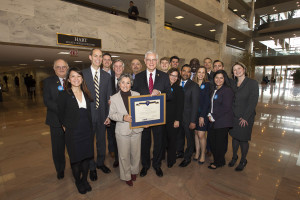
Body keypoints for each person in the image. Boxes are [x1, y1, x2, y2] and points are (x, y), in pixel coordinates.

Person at [132, 50, 171, 177]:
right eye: (148, 59)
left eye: (154, 60)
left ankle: (157, 165)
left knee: (159, 142)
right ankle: (145, 165)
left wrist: (159, 92)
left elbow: (169, 95)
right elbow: (134, 96)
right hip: (143, 116)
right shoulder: (138, 77)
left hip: (158, 115)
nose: (151, 62)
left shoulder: (164, 76)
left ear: (157, 61)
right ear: (145, 61)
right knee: (145, 142)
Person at [57, 67, 94, 194]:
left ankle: (85, 179)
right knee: (76, 159)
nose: (76, 79)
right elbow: (60, 113)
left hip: (87, 131)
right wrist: (64, 125)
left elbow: (89, 113)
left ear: (82, 78)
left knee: (86, 157)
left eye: (78, 76)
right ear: (68, 79)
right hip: (73, 132)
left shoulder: (86, 93)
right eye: (73, 76)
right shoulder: (64, 95)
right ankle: (78, 181)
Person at [82, 48, 112, 181]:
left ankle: (100, 163)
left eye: (100, 56)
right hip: (87, 117)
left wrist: (108, 115)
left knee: (101, 142)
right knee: (88, 144)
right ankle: (91, 167)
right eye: (96, 56)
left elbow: (109, 98)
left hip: (102, 116)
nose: (98, 59)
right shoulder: (83, 74)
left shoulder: (107, 76)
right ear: (90, 57)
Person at [109, 73, 143, 186]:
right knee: (124, 155)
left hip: (137, 130)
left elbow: (142, 112)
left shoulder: (137, 94)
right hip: (122, 131)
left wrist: (146, 121)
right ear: (119, 84)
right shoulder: (113, 98)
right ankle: (126, 175)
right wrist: (123, 117)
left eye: (128, 82)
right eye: (123, 82)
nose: (125, 85)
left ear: (131, 84)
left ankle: (134, 171)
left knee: (136, 153)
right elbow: (112, 115)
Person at [229, 62, 259, 171]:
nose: (237, 71)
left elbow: (253, 102)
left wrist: (245, 117)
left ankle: (243, 160)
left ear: (244, 69)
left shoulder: (252, 83)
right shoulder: (233, 83)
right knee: (234, 137)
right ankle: (234, 157)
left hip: (246, 117)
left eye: (239, 68)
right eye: (234, 69)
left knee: (243, 140)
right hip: (234, 116)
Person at [43, 59, 69, 180]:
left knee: (72, 146)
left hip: (71, 121)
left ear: (67, 68)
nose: (61, 69)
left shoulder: (73, 79)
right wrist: (62, 109)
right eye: (58, 67)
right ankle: (60, 169)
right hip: (55, 120)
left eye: (64, 67)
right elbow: (47, 101)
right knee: (58, 148)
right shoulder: (48, 82)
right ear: (54, 69)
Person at [207, 70, 234, 169]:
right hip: (214, 119)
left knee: (219, 143)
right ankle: (220, 160)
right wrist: (210, 113)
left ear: (225, 79)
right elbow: (212, 105)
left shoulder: (227, 90)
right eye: (216, 77)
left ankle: (218, 162)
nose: (218, 80)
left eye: (221, 78)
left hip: (223, 121)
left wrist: (213, 116)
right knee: (212, 141)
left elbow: (226, 107)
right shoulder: (215, 89)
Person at [177, 64, 200, 167]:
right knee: (180, 137)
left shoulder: (194, 86)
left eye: (188, 72)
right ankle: (180, 152)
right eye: (184, 71)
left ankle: (187, 158)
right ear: (181, 72)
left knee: (190, 139)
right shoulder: (177, 83)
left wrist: (193, 121)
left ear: (190, 74)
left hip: (188, 118)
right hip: (178, 117)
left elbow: (195, 105)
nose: (186, 73)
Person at [164, 68, 184, 168]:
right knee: (162, 140)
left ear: (178, 78)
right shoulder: (163, 87)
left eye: (175, 76)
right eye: (171, 75)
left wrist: (177, 120)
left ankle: (171, 160)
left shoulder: (179, 89)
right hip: (162, 119)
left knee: (172, 140)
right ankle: (161, 157)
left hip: (173, 120)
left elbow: (180, 106)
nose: (173, 77)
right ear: (168, 75)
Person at [193, 66, 210, 164]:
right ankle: (197, 152)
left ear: (205, 74)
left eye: (203, 72)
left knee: (201, 134)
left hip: (202, 114)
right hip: (194, 113)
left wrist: (202, 116)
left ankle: (203, 154)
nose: (201, 74)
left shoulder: (207, 85)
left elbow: (207, 102)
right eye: (199, 72)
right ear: (196, 73)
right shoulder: (194, 84)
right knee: (196, 133)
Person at [102, 52, 117, 162]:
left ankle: (112, 149)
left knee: (112, 130)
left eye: (109, 60)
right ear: (102, 61)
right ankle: (102, 153)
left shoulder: (114, 74)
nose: (107, 61)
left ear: (111, 62)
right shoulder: (97, 74)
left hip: (113, 106)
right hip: (101, 107)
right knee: (102, 133)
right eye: (105, 59)